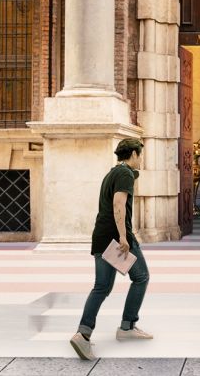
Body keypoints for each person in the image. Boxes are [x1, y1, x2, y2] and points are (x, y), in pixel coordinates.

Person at [69, 137, 153, 361]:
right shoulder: (124, 174)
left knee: (102, 287)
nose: (141, 159)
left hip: (102, 236)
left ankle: (83, 334)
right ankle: (127, 327)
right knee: (141, 277)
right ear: (133, 154)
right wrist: (124, 237)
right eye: (140, 154)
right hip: (117, 239)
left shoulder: (112, 173)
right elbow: (118, 204)